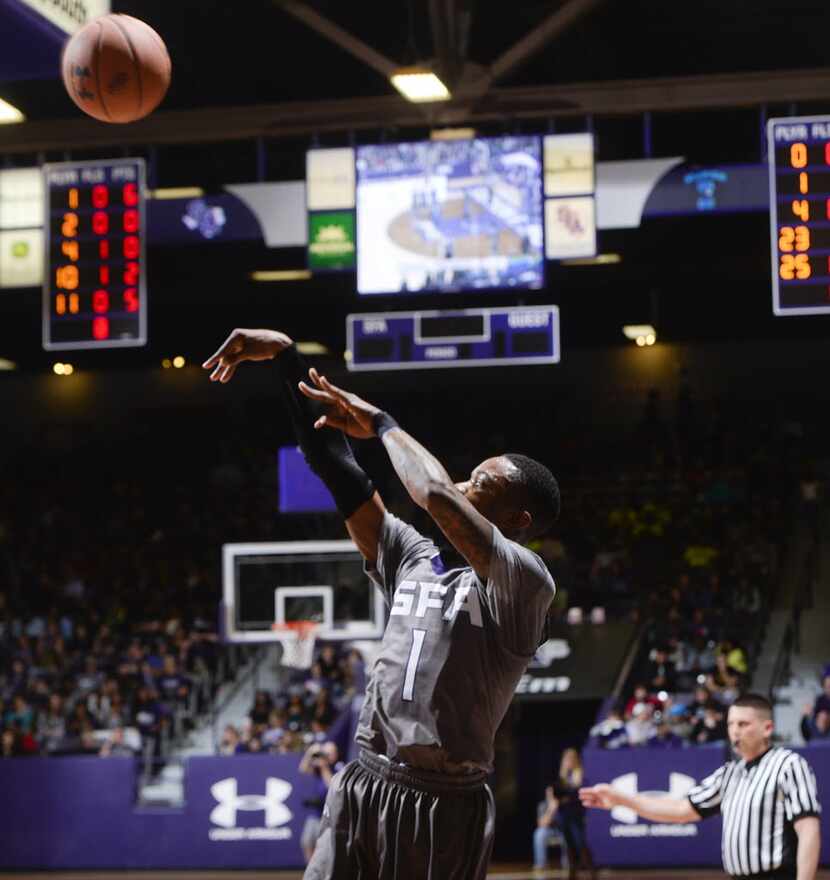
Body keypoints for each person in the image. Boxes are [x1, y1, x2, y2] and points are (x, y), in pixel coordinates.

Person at [203, 328, 560, 880]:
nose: (464, 483)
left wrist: (383, 425)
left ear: (518, 521)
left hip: (442, 800)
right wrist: (285, 358)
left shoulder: (525, 582)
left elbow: (434, 493)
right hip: (365, 779)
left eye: (482, 483)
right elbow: (340, 473)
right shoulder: (413, 556)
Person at [580, 693, 822, 880]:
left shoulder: (788, 764)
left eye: (743, 724)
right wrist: (623, 799)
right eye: (730, 724)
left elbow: (808, 830)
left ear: (767, 728)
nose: (735, 731)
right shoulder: (729, 774)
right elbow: (680, 809)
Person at [552, 748, 596, 879]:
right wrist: (564, 797)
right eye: (567, 759)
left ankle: (592, 871)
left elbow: (581, 795)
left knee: (580, 842)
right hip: (563, 816)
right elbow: (556, 795)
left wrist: (569, 797)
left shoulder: (581, 777)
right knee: (568, 844)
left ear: (576, 760)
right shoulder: (561, 777)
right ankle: (572, 872)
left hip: (576, 816)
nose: (569, 762)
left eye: (572, 759)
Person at [299, 741, 343, 865]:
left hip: (330, 813)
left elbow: (332, 785)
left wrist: (324, 767)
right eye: (325, 753)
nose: (326, 756)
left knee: (327, 846)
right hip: (316, 812)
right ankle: (311, 870)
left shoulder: (338, 767)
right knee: (306, 842)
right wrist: (310, 752)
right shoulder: (318, 767)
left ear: (335, 754)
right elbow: (303, 769)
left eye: (329, 753)